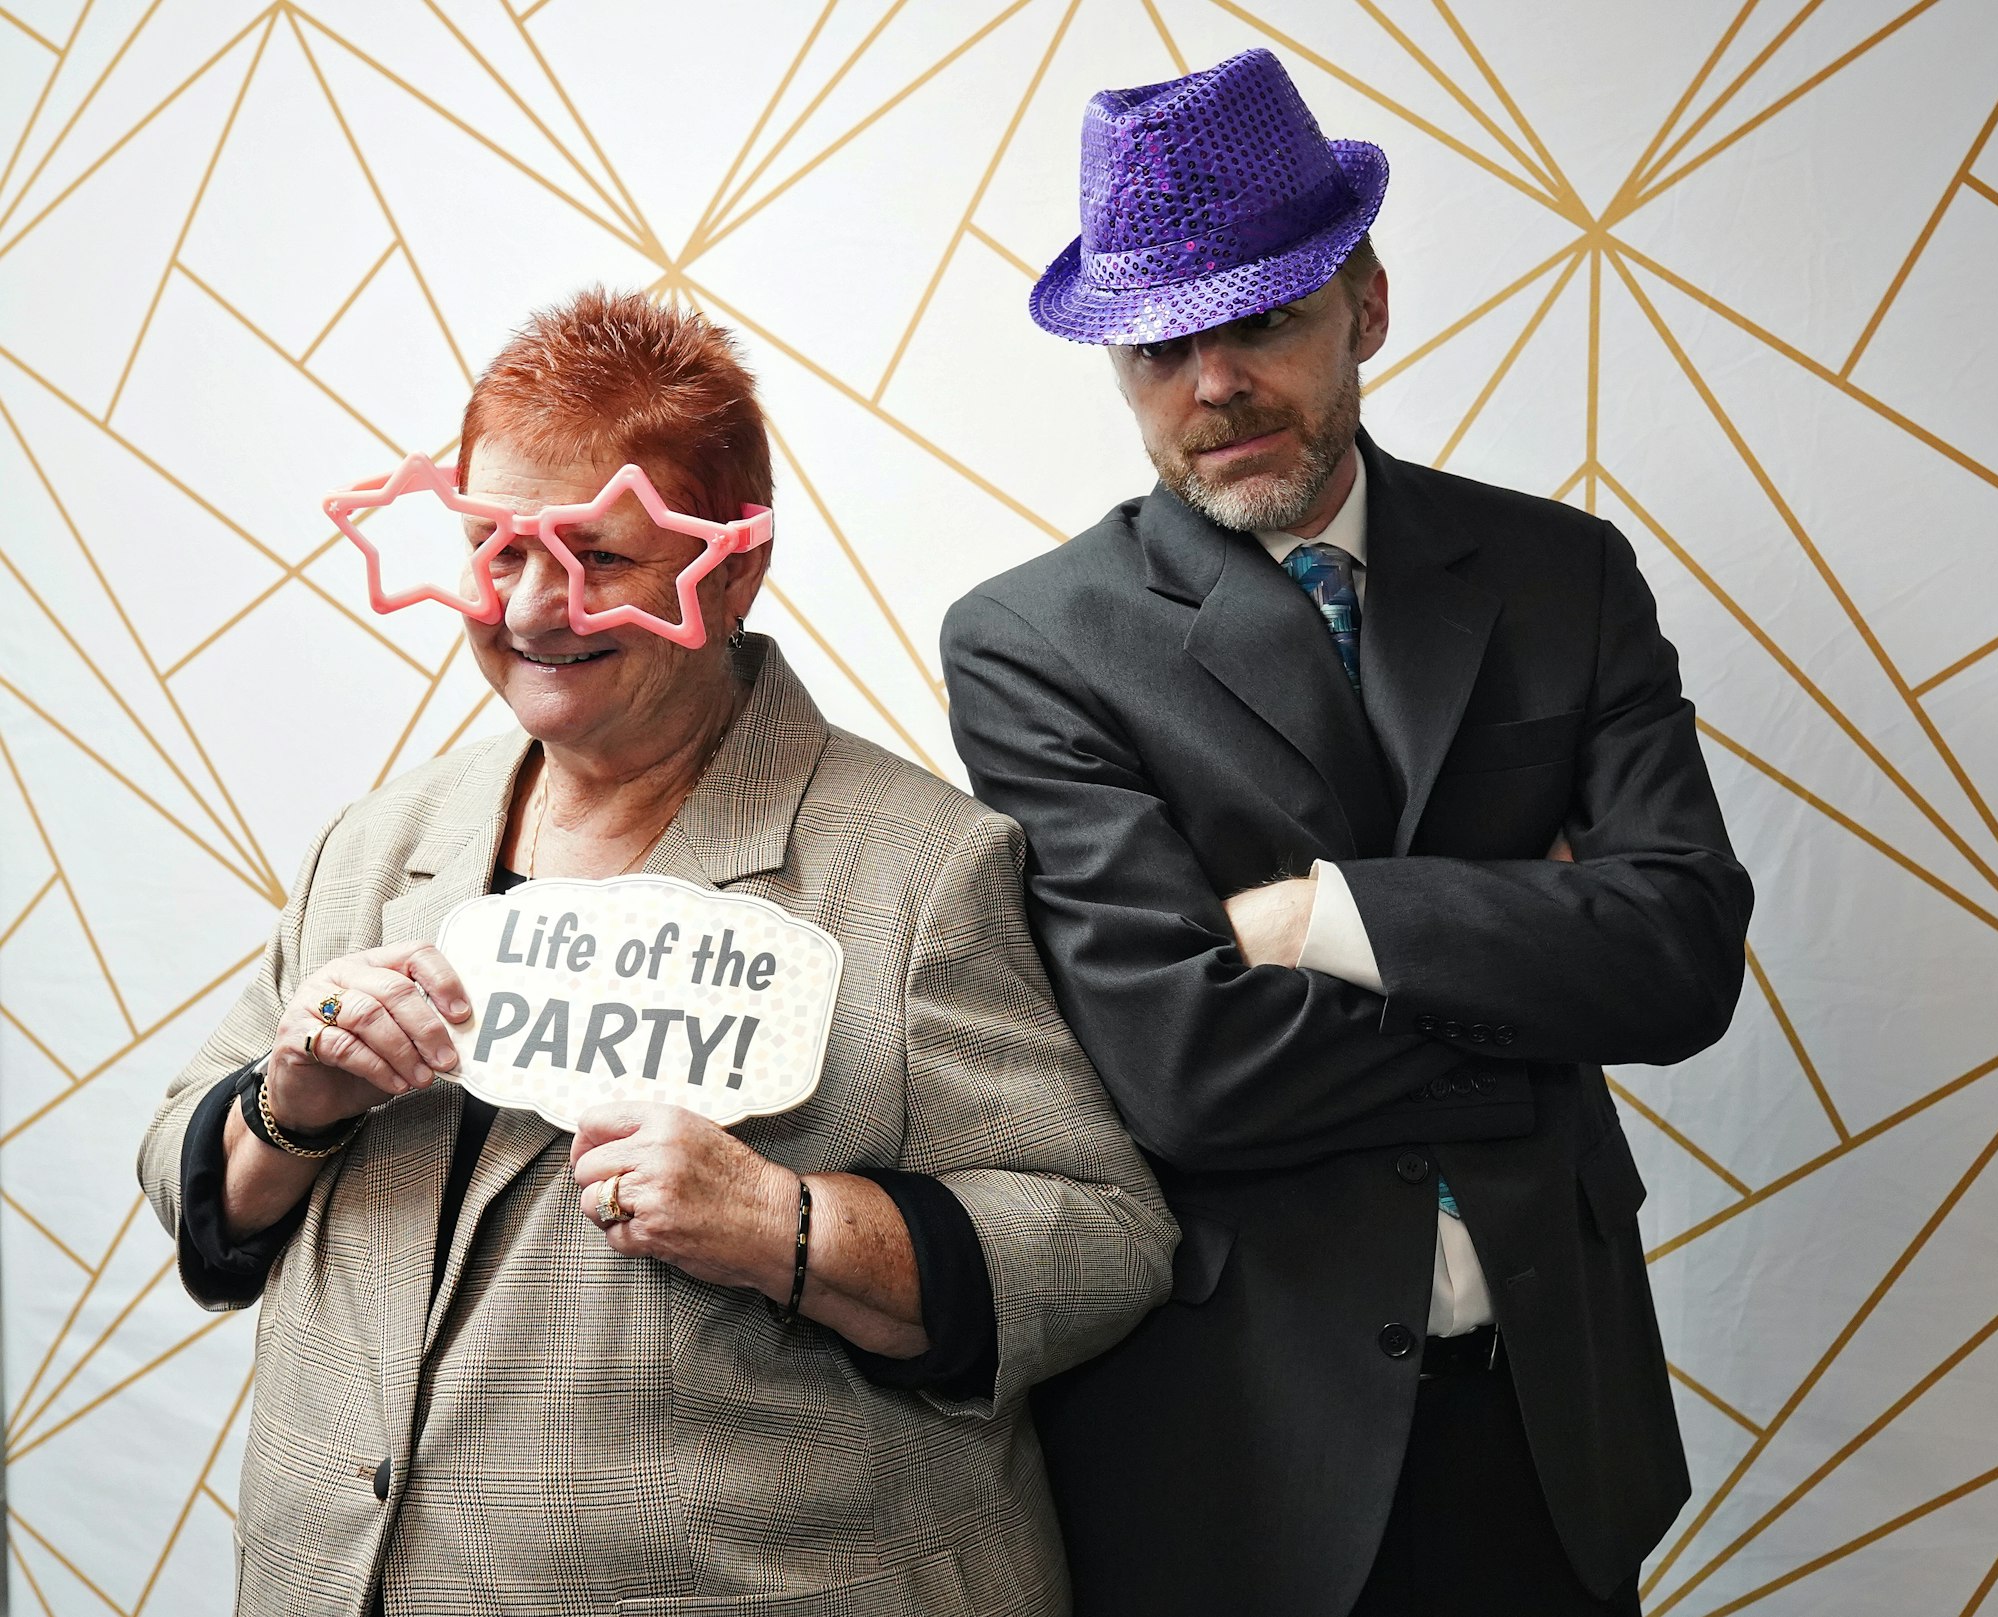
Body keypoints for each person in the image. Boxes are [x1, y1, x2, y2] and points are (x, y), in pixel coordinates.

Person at [138, 288, 1174, 1617]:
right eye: (496, 546)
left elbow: (1103, 1244)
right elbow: (187, 1175)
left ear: (732, 570)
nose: (531, 606)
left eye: (595, 554)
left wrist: (785, 1224)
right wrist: (291, 1107)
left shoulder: (921, 869)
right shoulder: (384, 841)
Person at [941, 49, 1754, 1617]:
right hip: (1242, 1449)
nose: (1213, 384)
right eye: (1160, 347)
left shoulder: (1564, 577)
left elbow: (1679, 956)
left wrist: (1326, 922)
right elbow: (1184, 1063)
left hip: (1554, 1427)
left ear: (1363, 306)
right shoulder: (1034, 643)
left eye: (1261, 321)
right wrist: (1530, 977)